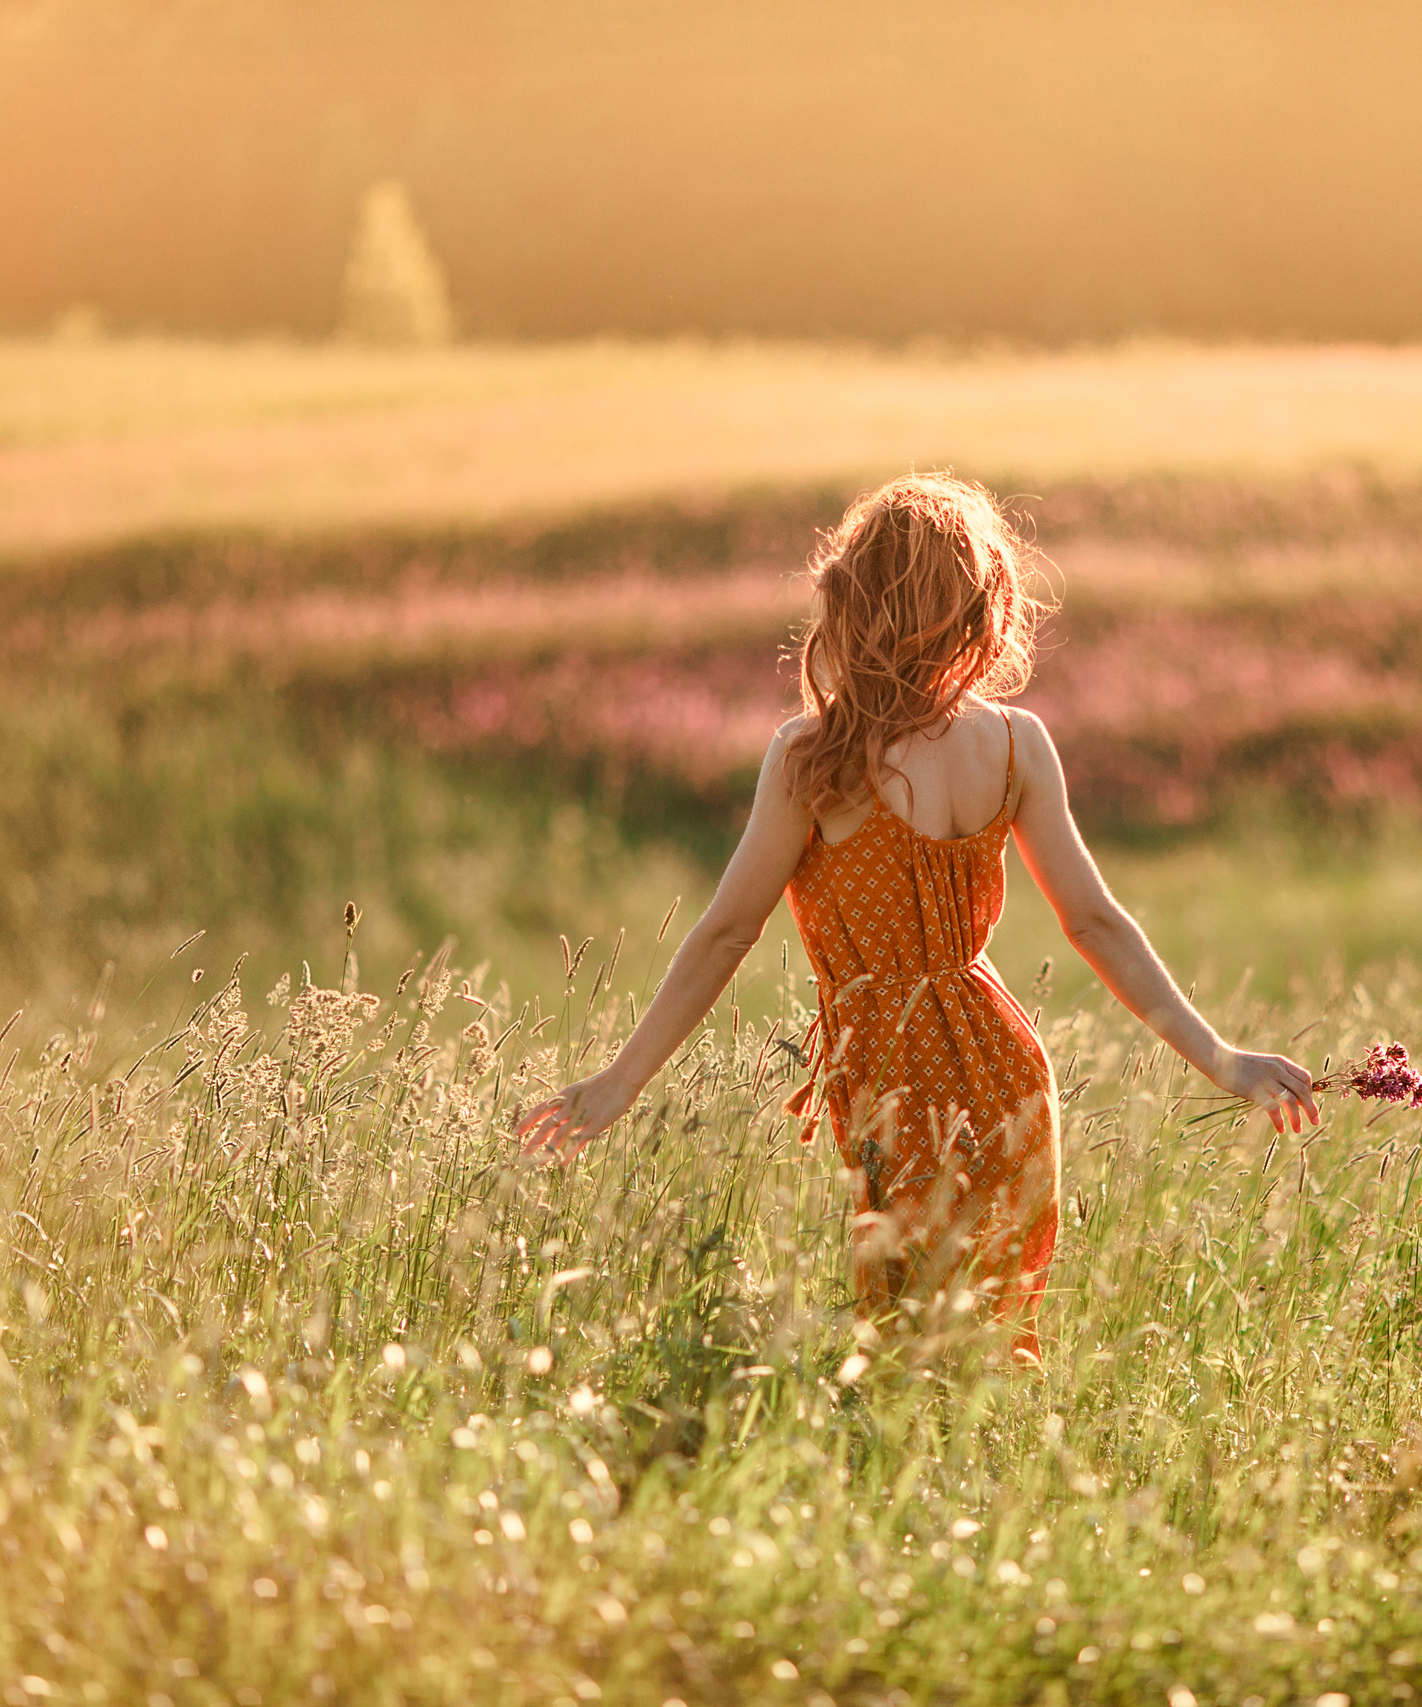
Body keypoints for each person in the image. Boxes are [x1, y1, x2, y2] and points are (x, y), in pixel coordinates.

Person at [514, 473, 1318, 1362]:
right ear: (979, 612)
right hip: (1006, 1071)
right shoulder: (1017, 744)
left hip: (896, 1079)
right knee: (992, 1345)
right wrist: (1223, 1059)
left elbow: (725, 932)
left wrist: (622, 1080)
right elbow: (1096, 923)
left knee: (905, 1346)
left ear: (855, 604)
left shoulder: (812, 757)